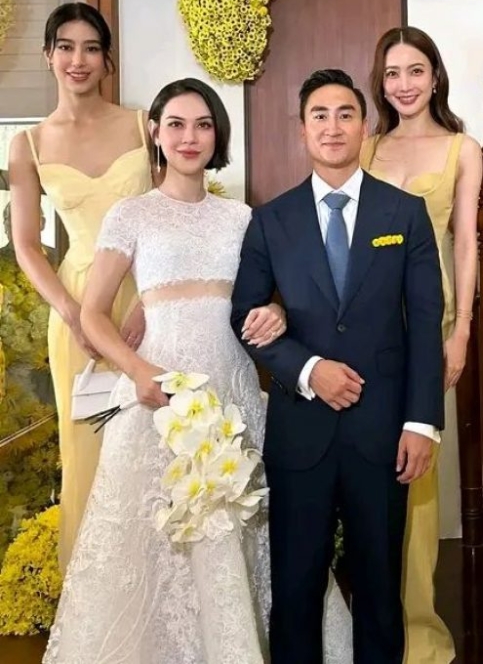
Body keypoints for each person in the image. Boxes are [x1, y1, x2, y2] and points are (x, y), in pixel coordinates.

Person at [42, 77, 354, 663]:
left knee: (247, 526)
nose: (190, 137)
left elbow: (279, 298)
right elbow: (92, 313)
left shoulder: (242, 218)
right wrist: (138, 371)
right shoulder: (131, 214)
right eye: (177, 125)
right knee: (157, 539)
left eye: (203, 125)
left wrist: (277, 312)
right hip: (158, 397)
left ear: (217, 135)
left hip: (233, 392)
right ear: (155, 133)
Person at [232, 68, 445, 664]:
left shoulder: (405, 213)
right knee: (295, 590)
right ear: (302, 129)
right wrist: (307, 370)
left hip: (384, 433)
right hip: (301, 433)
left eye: (345, 114)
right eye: (319, 115)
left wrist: (421, 423)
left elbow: (425, 323)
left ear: (365, 126)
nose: (333, 126)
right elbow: (245, 315)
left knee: (380, 590)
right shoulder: (270, 220)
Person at [8, 2, 152, 570]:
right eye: (66, 47)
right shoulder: (29, 144)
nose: (78, 59)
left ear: (106, 59)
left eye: (91, 48)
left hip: (147, 297)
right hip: (76, 308)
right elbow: (26, 244)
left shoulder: (143, 124)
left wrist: (151, 299)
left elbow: (172, 212)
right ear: (48, 55)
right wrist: (72, 313)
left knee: (156, 445)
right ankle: (96, 601)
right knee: (89, 454)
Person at [361, 27, 481, 664]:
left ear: (435, 76)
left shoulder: (464, 149)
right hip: (366, 328)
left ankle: (417, 628)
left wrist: (461, 331)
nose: (403, 85)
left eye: (414, 71)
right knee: (370, 474)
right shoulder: (365, 146)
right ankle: (374, 627)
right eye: (391, 74)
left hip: (429, 325)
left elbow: (466, 244)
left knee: (422, 482)